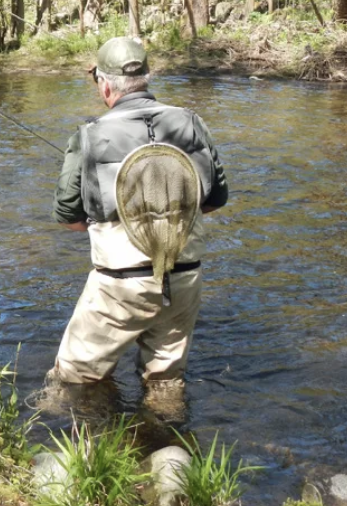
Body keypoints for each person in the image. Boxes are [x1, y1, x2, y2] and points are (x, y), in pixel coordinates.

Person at [48, 36, 228, 392]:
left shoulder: (88, 136)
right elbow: (214, 200)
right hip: (183, 277)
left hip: (121, 282)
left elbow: (68, 217)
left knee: (74, 380)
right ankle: (167, 441)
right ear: (146, 77)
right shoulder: (191, 122)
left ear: (103, 84)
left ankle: (75, 441)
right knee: (165, 382)